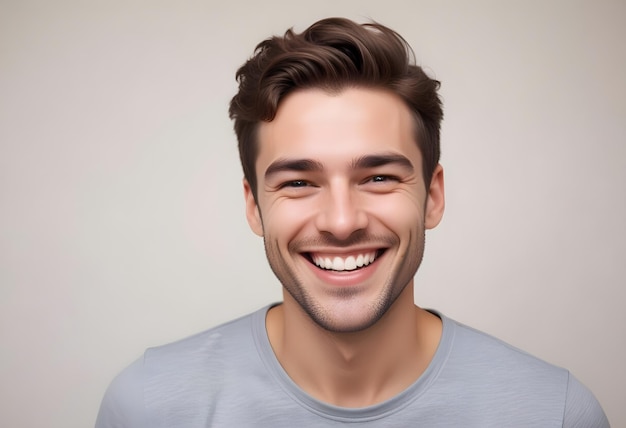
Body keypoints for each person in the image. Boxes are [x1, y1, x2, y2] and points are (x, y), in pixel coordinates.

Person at [96, 17, 609, 427]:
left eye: (379, 177)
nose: (342, 222)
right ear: (254, 206)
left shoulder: (555, 413)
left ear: (432, 196)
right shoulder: (148, 408)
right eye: (298, 182)